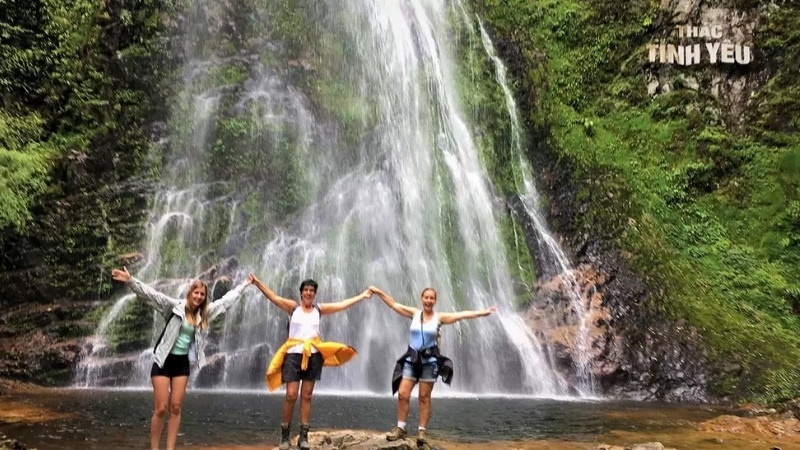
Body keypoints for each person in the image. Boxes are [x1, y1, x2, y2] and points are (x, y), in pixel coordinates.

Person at [110, 266, 253, 450]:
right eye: (196, 293)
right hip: (163, 361)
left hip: (181, 364)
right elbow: (151, 296)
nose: (199, 297)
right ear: (190, 293)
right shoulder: (174, 306)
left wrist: (244, 285)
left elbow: (225, 302)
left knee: (176, 408)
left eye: (202, 294)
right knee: (161, 408)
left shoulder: (204, 313)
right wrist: (130, 281)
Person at [251, 274, 372, 450]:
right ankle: (285, 436)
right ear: (301, 293)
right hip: (293, 355)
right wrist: (257, 283)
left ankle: (303, 436)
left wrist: (362, 296)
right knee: (291, 394)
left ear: (314, 294)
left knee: (307, 395)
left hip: (313, 355)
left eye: (312, 291)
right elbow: (274, 297)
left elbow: (342, 305)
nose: (309, 293)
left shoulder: (319, 310)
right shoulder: (293, 308)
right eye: (306, 290)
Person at [371, 285, 497, 445]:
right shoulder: (414, 314)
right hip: (412, 359)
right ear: (421, 299)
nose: (429, 301)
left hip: (429, 362)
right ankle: (400, 429)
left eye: (432, 298)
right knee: (403, 394)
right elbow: (393, 304)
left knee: (424, 397)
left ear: (435, 301)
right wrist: (378, 291)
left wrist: (483, 312)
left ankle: (422, 431)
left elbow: (461, 315)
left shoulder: (439, 317)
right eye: (426, 297)